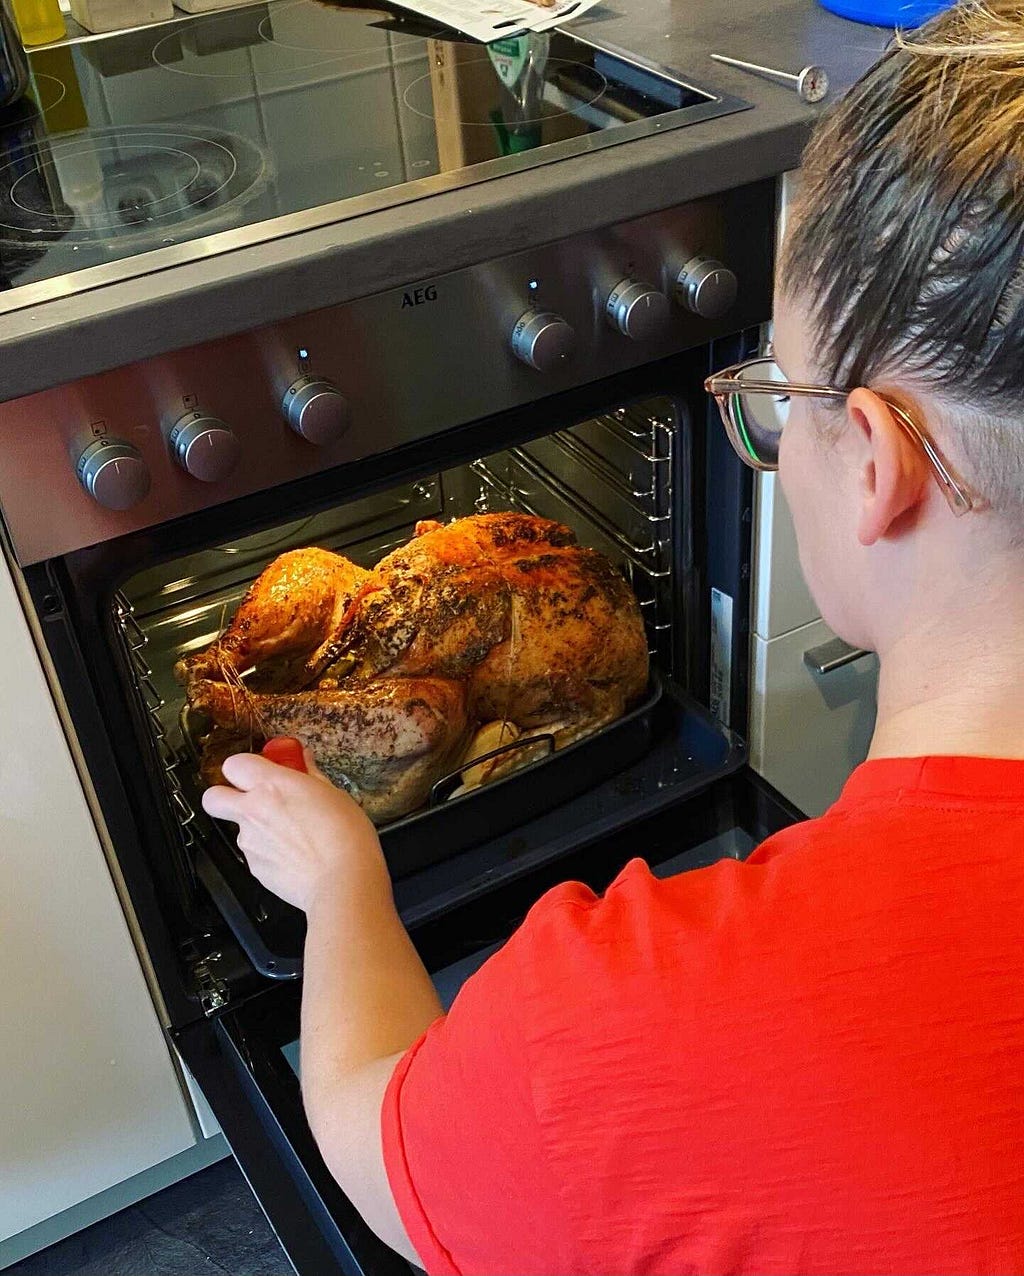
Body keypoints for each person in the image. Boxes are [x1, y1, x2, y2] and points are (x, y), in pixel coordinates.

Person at [202, 4, 1024, 1271]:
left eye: (775, 402)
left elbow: (377, 1137)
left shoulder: (629, 1029)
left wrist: (342, 886)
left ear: (873, 460)